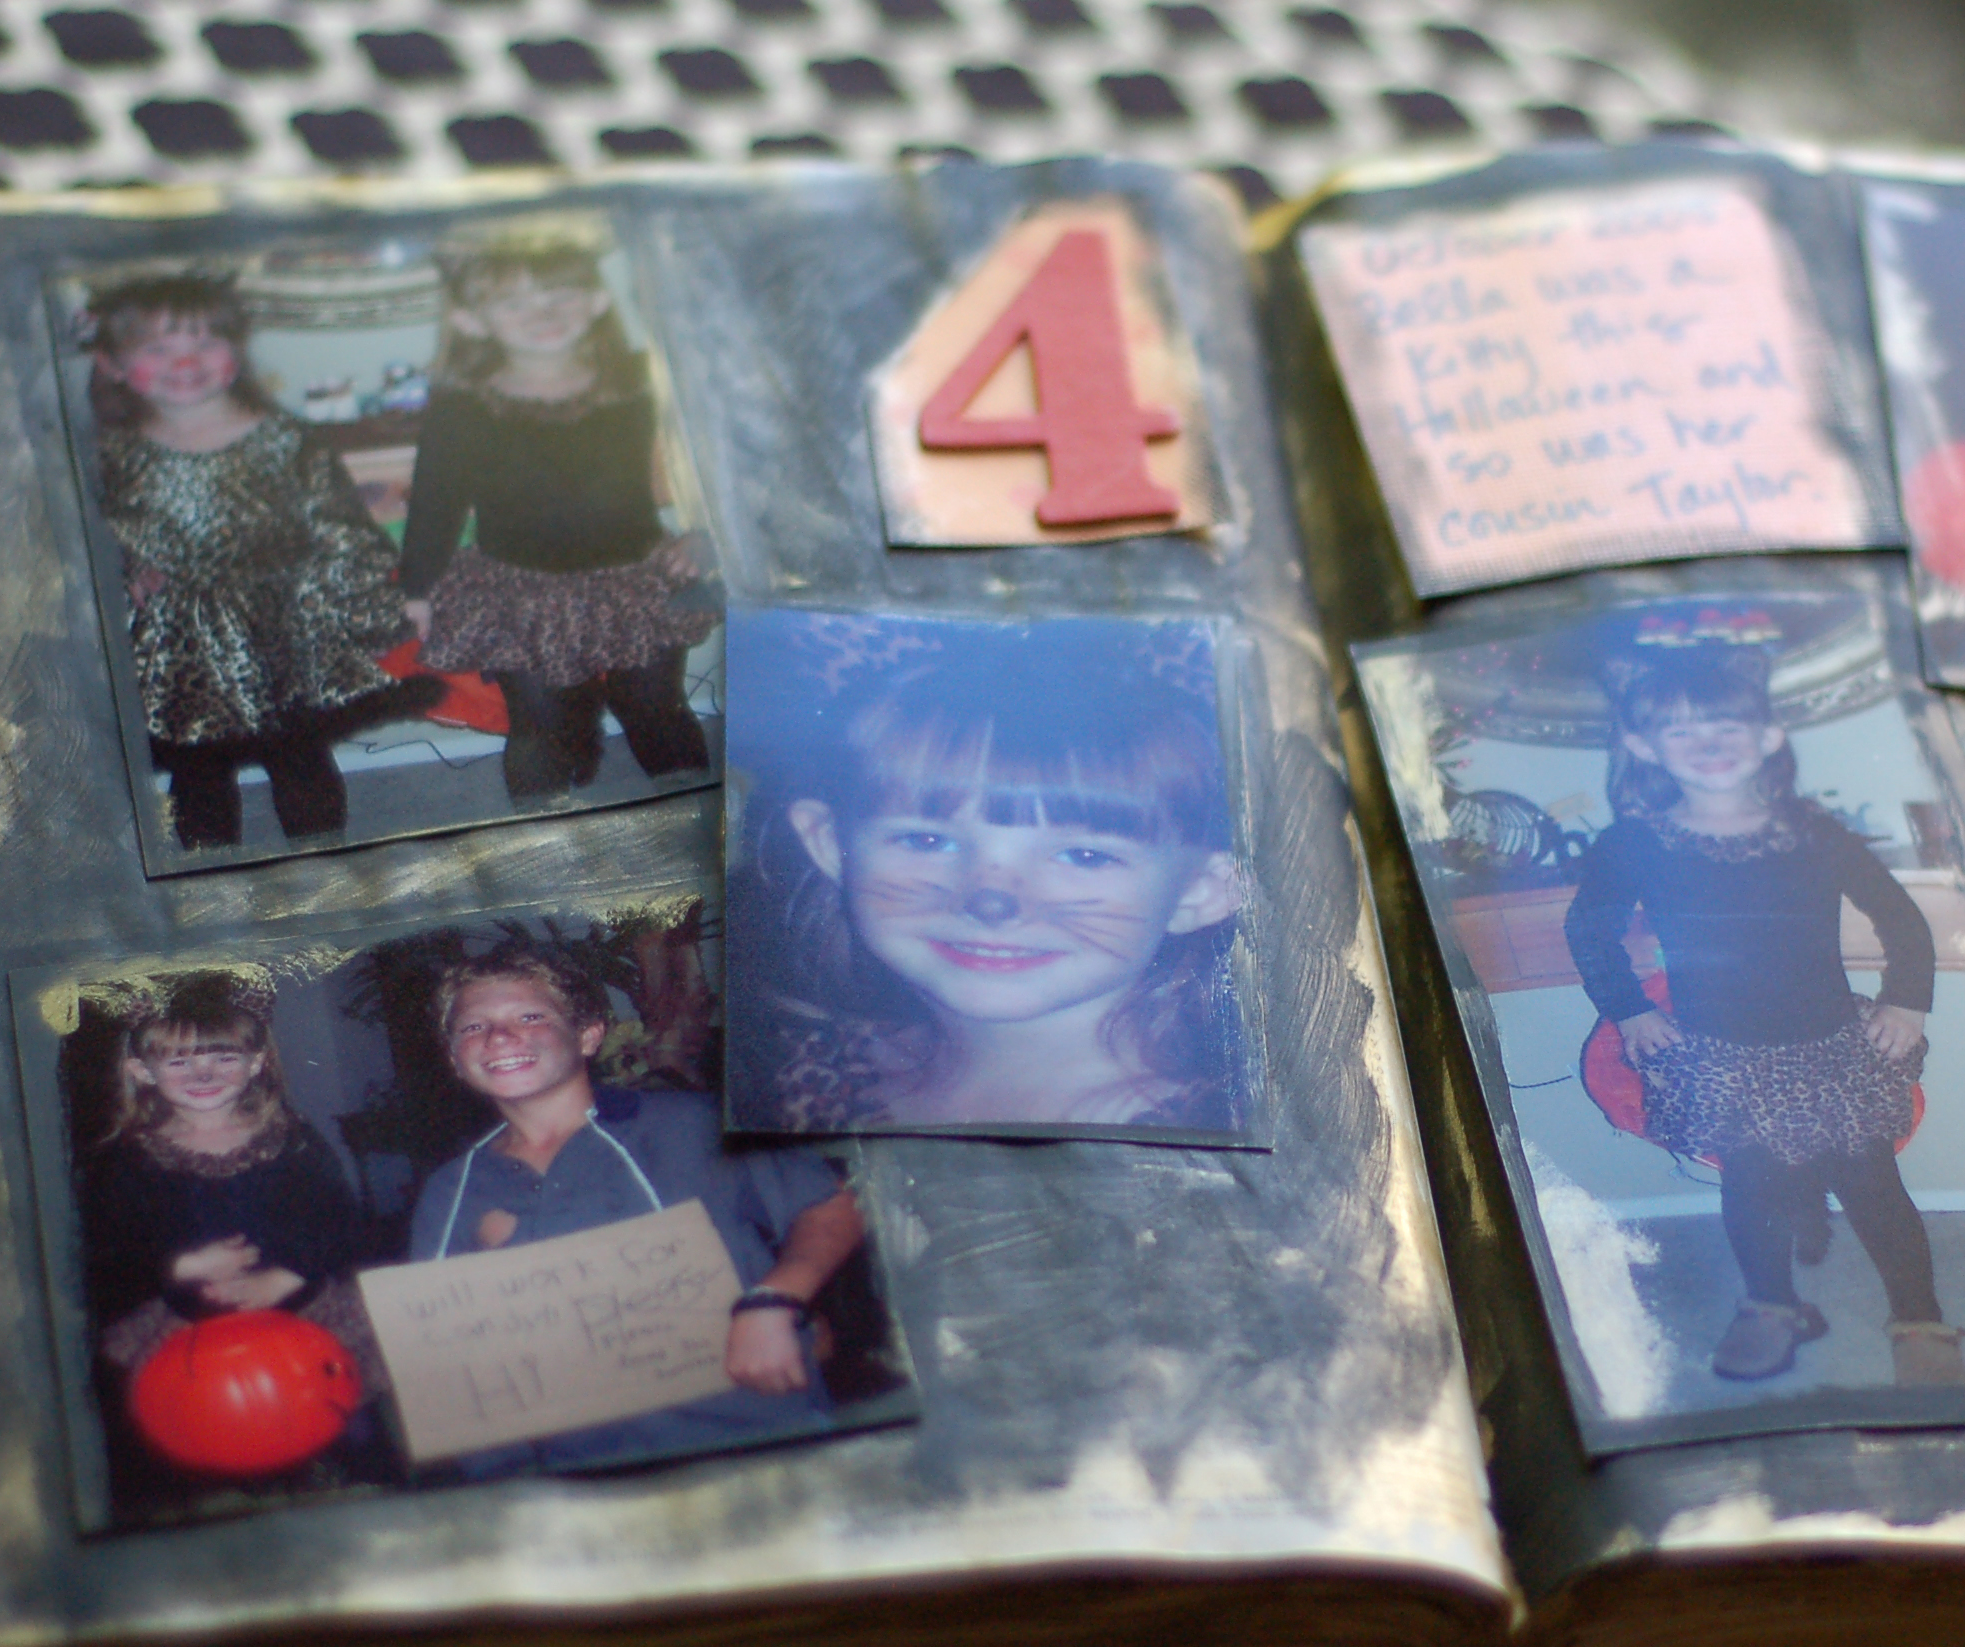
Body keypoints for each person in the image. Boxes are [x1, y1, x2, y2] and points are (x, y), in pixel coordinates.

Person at [1561, 657, 1965, 1388]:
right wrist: (1630, 1009)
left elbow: (1901, 917)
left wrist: (1907, 1000)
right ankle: (1772, 1306)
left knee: (1874, 1187)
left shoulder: (1817, 834)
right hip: (1720, 1053)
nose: (1709, 743)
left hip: (1831, 1046)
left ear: (1769, 736)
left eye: (1727, 725)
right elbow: (1590, 930)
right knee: (1751, 1188)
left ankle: (1921, 1320)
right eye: (1682, 731)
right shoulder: (1633, 843)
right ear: (1645, 747)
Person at [405, 943, 871, 1481]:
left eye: (531, 1017)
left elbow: (834, 1204)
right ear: (454, 1059)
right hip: (580, 1481)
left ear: (588, 1035)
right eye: (473, 1027)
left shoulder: (693, 1124)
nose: (500, 1037)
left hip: (754, 1448)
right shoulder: (449, 1191)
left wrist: (775, 1299)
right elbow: (447, 1350)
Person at [742, 651, 1248, 1134]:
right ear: (830, 845)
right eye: (926, 841)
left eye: (1085, 855)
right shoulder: (801, 1075)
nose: (990, 903)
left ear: (1200, 892)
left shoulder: (1215, 1135)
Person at [84, 272, 415, 849]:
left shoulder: (285, 439)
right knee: (198, 772)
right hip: (181, 644)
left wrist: (357, 601)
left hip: (282, 633)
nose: (184, 362)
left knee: (300, 759)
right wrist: (128, 570)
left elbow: (337, 524)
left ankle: (322, 861)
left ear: (236, 351)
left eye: (206, 342)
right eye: (157, 348)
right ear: (112, 364)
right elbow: (101, 529)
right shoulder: (113, 452)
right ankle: (212, 876)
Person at [398, 228, 714, 802]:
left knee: (655, 706)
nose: (543, 314)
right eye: (515, 303)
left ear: (596, 300)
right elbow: (435, 499)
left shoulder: (640, 380)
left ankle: (688, 809)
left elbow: (704, 461)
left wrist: (701, 534)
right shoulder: (462, 406)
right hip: (519, 589)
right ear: (471, 320)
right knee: (542, 723)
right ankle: (542, 826)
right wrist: (418, 590)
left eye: (561, 295)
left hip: (635, 578)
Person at [75, 972, 388, 1500]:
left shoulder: (292, 1140)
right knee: (210, 1447)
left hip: (304, 1315)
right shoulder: (127, 1161)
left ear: (256, 1062)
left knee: (341, 1430)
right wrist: (179, 1268)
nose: (204, 1073)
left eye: (223, 1057)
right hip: (192, 1334)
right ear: (141, 1071)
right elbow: (107, 1248)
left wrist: (287, 1274)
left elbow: (337, 1218)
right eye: (179, 1062)